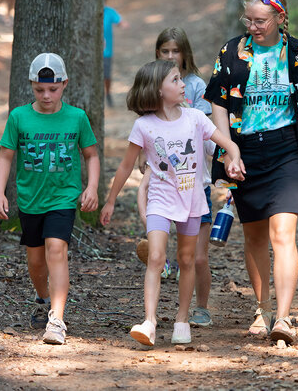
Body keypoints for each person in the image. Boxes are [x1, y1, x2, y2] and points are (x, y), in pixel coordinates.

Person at [204, 0, 298, 345]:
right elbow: (218, 103)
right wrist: (229, 149)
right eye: (249, 19)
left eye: (261, 20)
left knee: (283, 234)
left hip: (288, 150)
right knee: (255, 235)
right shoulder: (232, 52)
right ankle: (261, 307)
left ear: (280, 17)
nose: (254, 26)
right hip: (245, 149)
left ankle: (284, 316)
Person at [100, 60, 245, 347]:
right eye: (176, 80)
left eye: (181, 79)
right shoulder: (143, 126)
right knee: (155, 257)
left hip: (191, 200)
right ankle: (150, 322)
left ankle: (181, 319)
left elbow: (229, 144)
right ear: (158, 89)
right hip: (160, 200)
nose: (183, 84)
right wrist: (110, 201)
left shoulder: (195, 118)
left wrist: (234, 159)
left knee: (186, 260)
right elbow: (125, 167)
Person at [0, 53, 100, 345]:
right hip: (30, 200)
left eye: (52, 89)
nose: (46, 95)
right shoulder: (19, 117)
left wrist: (91, 188)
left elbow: (91, 155)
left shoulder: (77, 117)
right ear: (31, 85)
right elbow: (5, 156)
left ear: (64, 84)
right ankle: (42, 297)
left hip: (63, 199)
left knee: (57, 250)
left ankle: (56, 319)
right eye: (40, 90)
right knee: (36, 262)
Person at [138, 28, 217, 327]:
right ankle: (153, 317)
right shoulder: (153, 84)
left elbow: (207, 133)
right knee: (160, 255)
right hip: (163, 185)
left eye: (176, 51)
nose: (171, 56)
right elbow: (150, 129)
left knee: (197, 257)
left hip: (195, 182)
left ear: (186, 53)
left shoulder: (196, 86)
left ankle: (202, 306)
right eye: (165, 51)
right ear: (157, 53)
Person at [103, 4, 127, 107]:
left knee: (107, 75)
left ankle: (108, 94)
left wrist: (122, 24)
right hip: (92, 51)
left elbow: (119, 20)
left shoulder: (109, 11)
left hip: (107, 51)